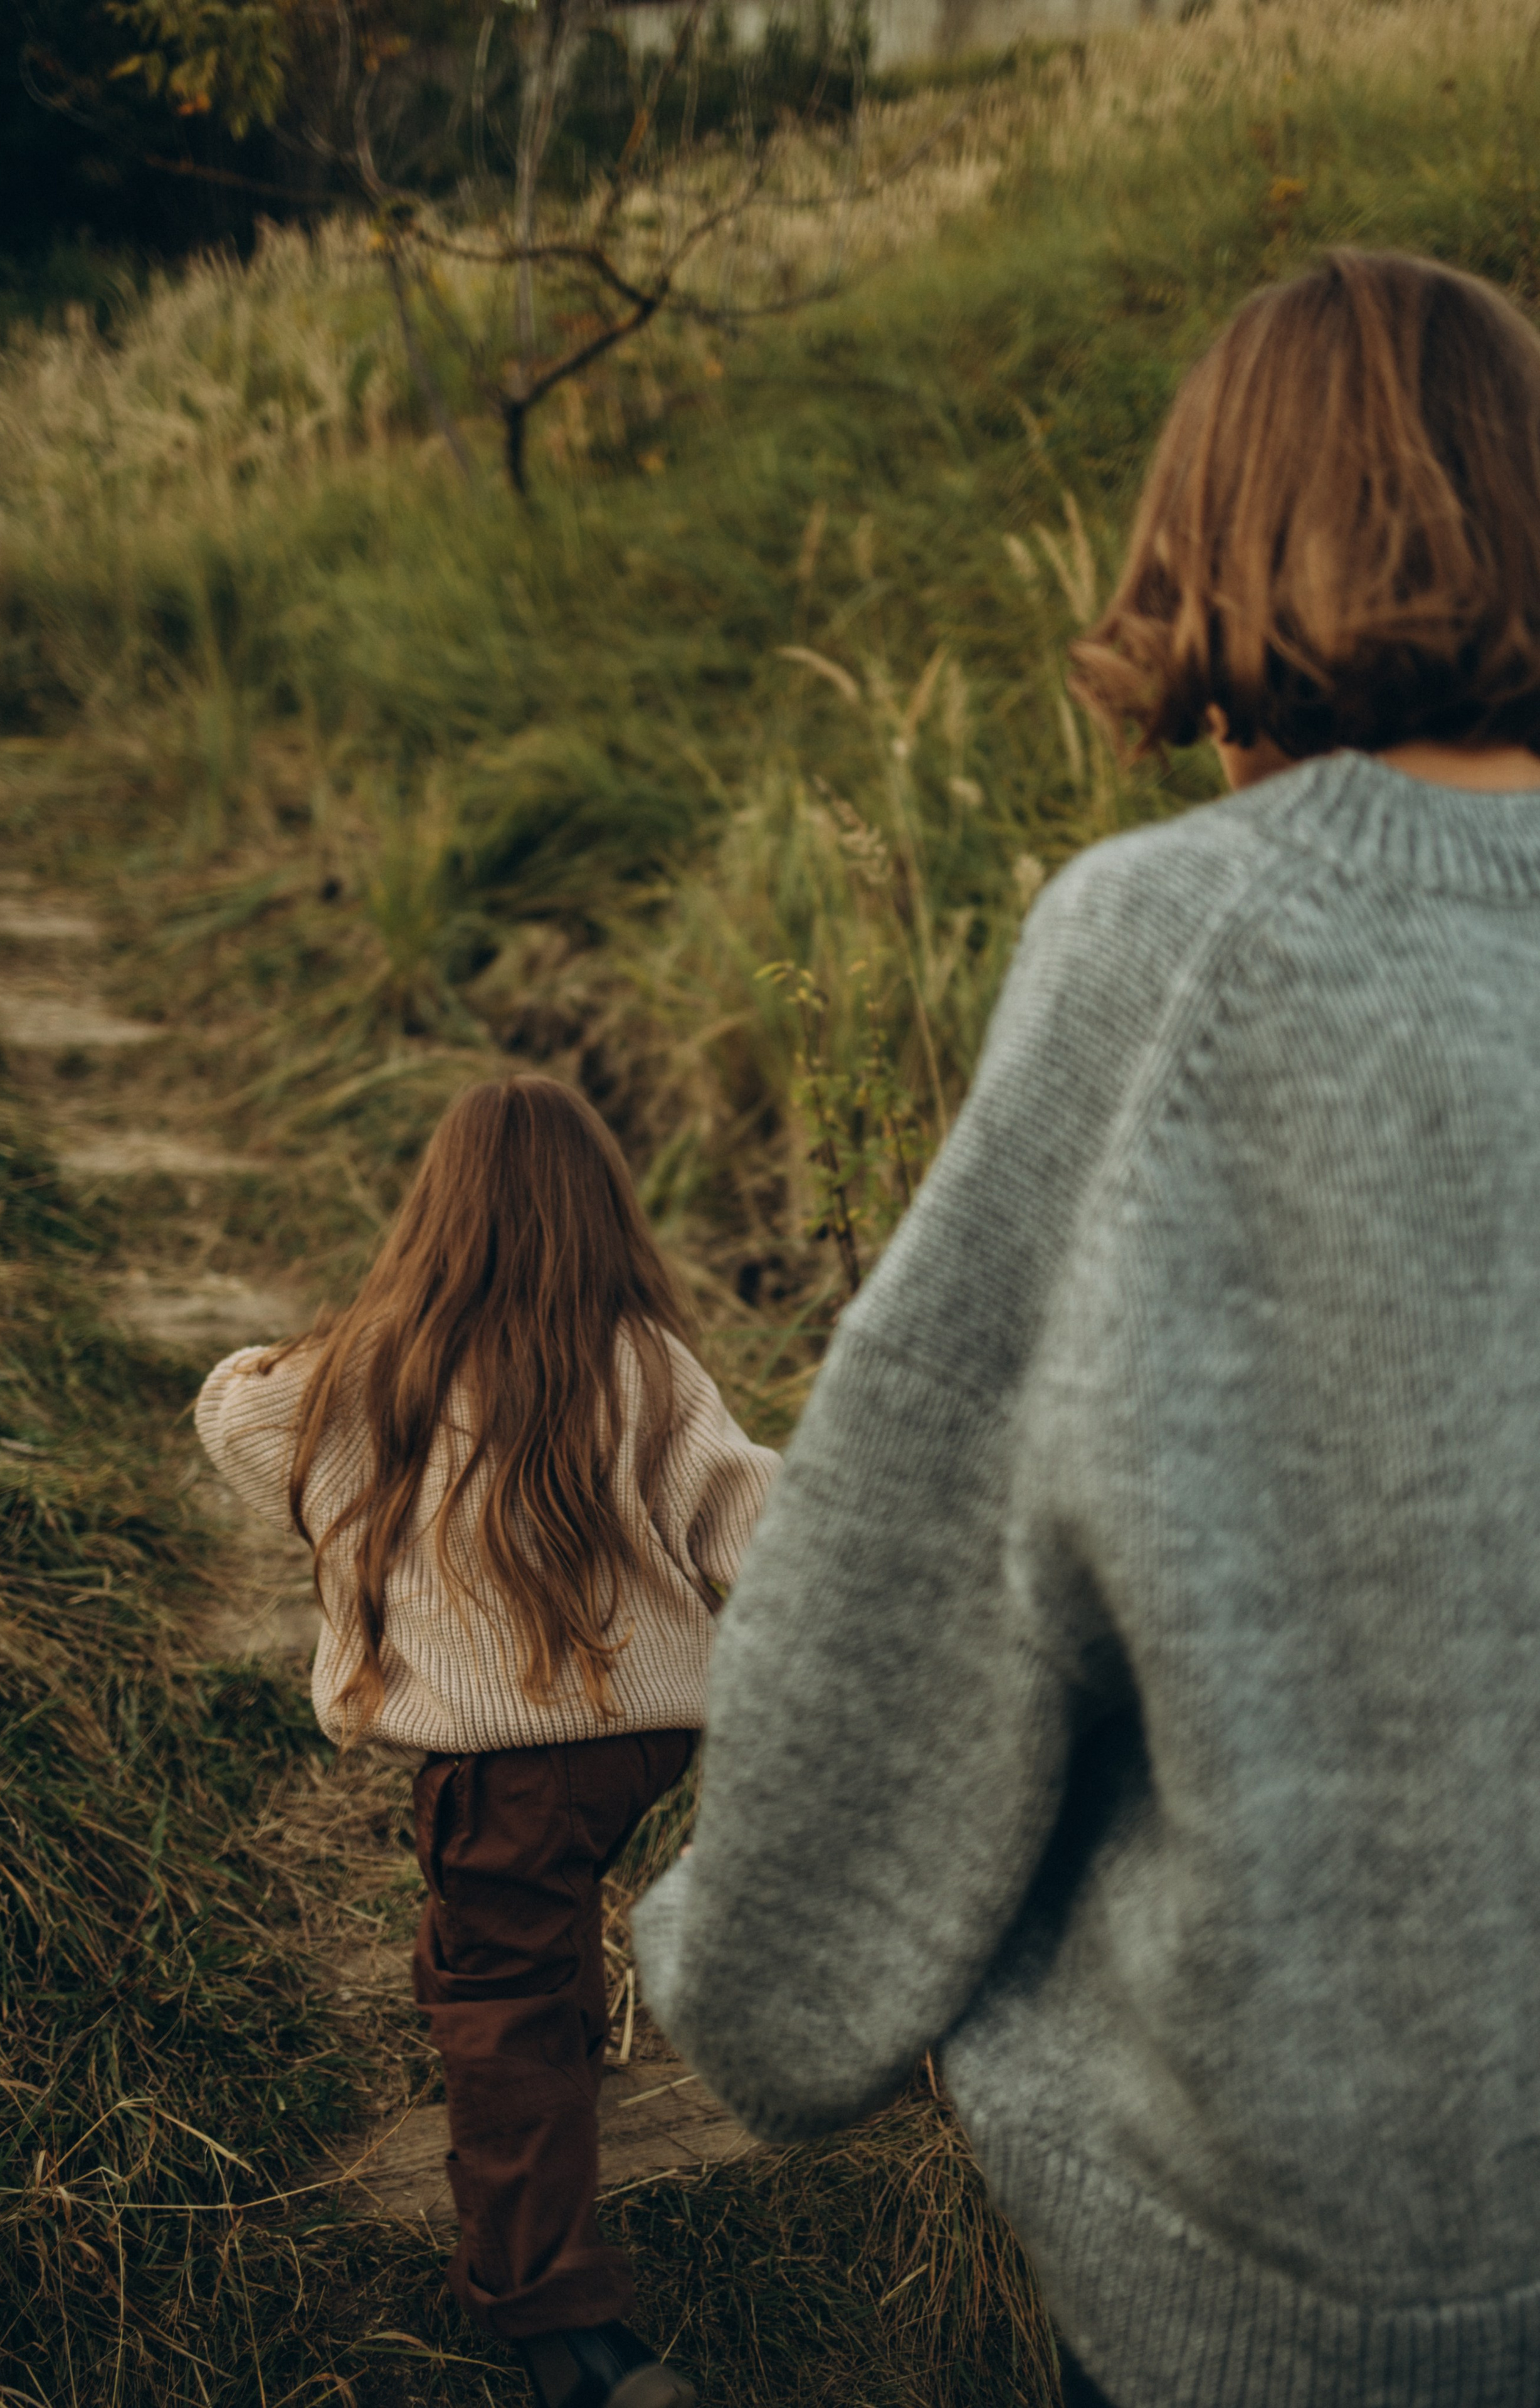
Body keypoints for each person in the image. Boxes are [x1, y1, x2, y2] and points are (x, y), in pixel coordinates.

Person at [631, 250, 1540, 2408]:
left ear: (1208, 555)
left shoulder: (1177, 940)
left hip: (1294, 2273)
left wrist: (751, 1982)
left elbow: (913, 1562)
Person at [196, 1075, 778, 2408]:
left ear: (434, 1212)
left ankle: (559, 2324)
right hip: (640, 1742)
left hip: (506, 1759)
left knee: (492, 1996)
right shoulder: (639, 1359)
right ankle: (574, 2047)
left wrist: (365, 1334)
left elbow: (232, 1406)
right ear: (600, 1209)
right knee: (529, 1909)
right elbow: (748, 1519)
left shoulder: (378, 1363)